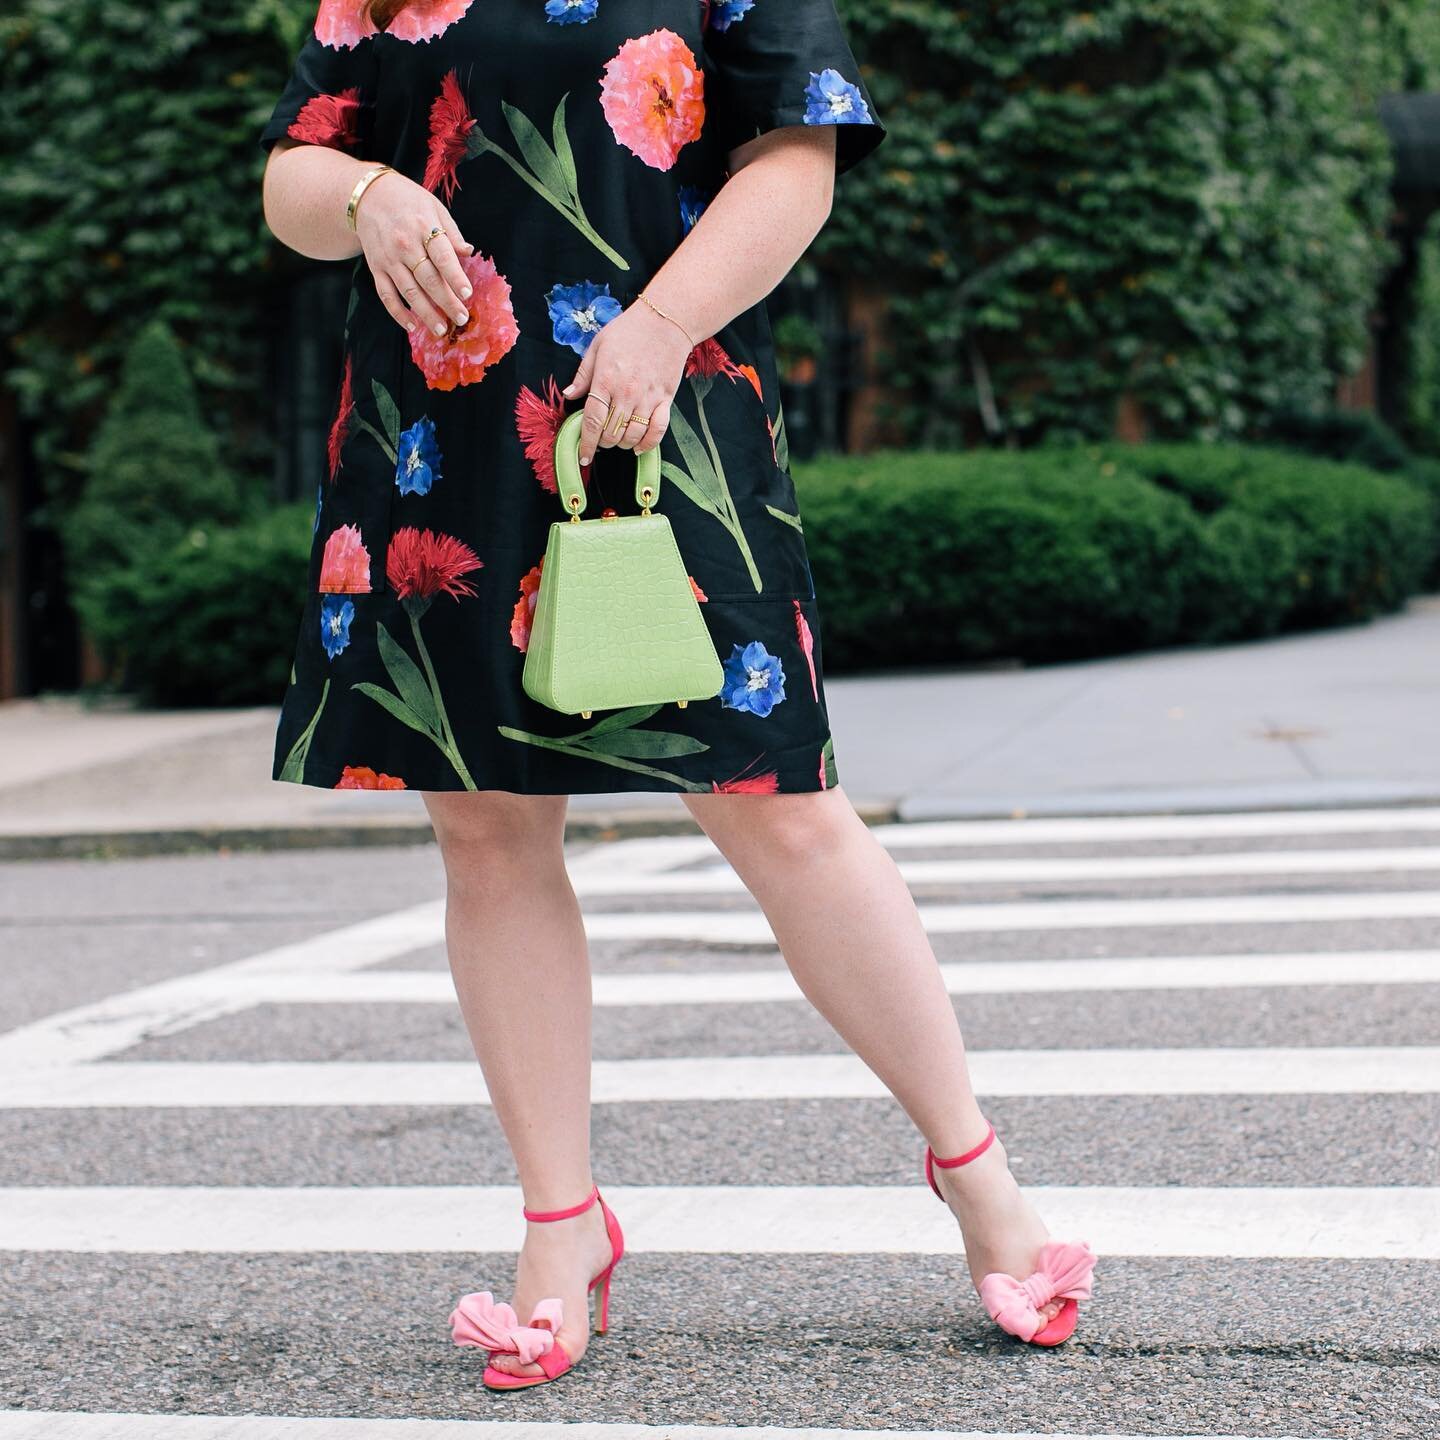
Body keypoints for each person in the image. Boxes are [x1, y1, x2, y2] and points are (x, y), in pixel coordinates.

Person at [259, 0, 1095, 1391]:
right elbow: (296, 172)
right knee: (487, 832)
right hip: (442, 436)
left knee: (784, 813)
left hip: (663, 408)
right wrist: (367, 191)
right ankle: (559, 1226)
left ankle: (979, 1177)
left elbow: (798, 156)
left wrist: (654, 327)